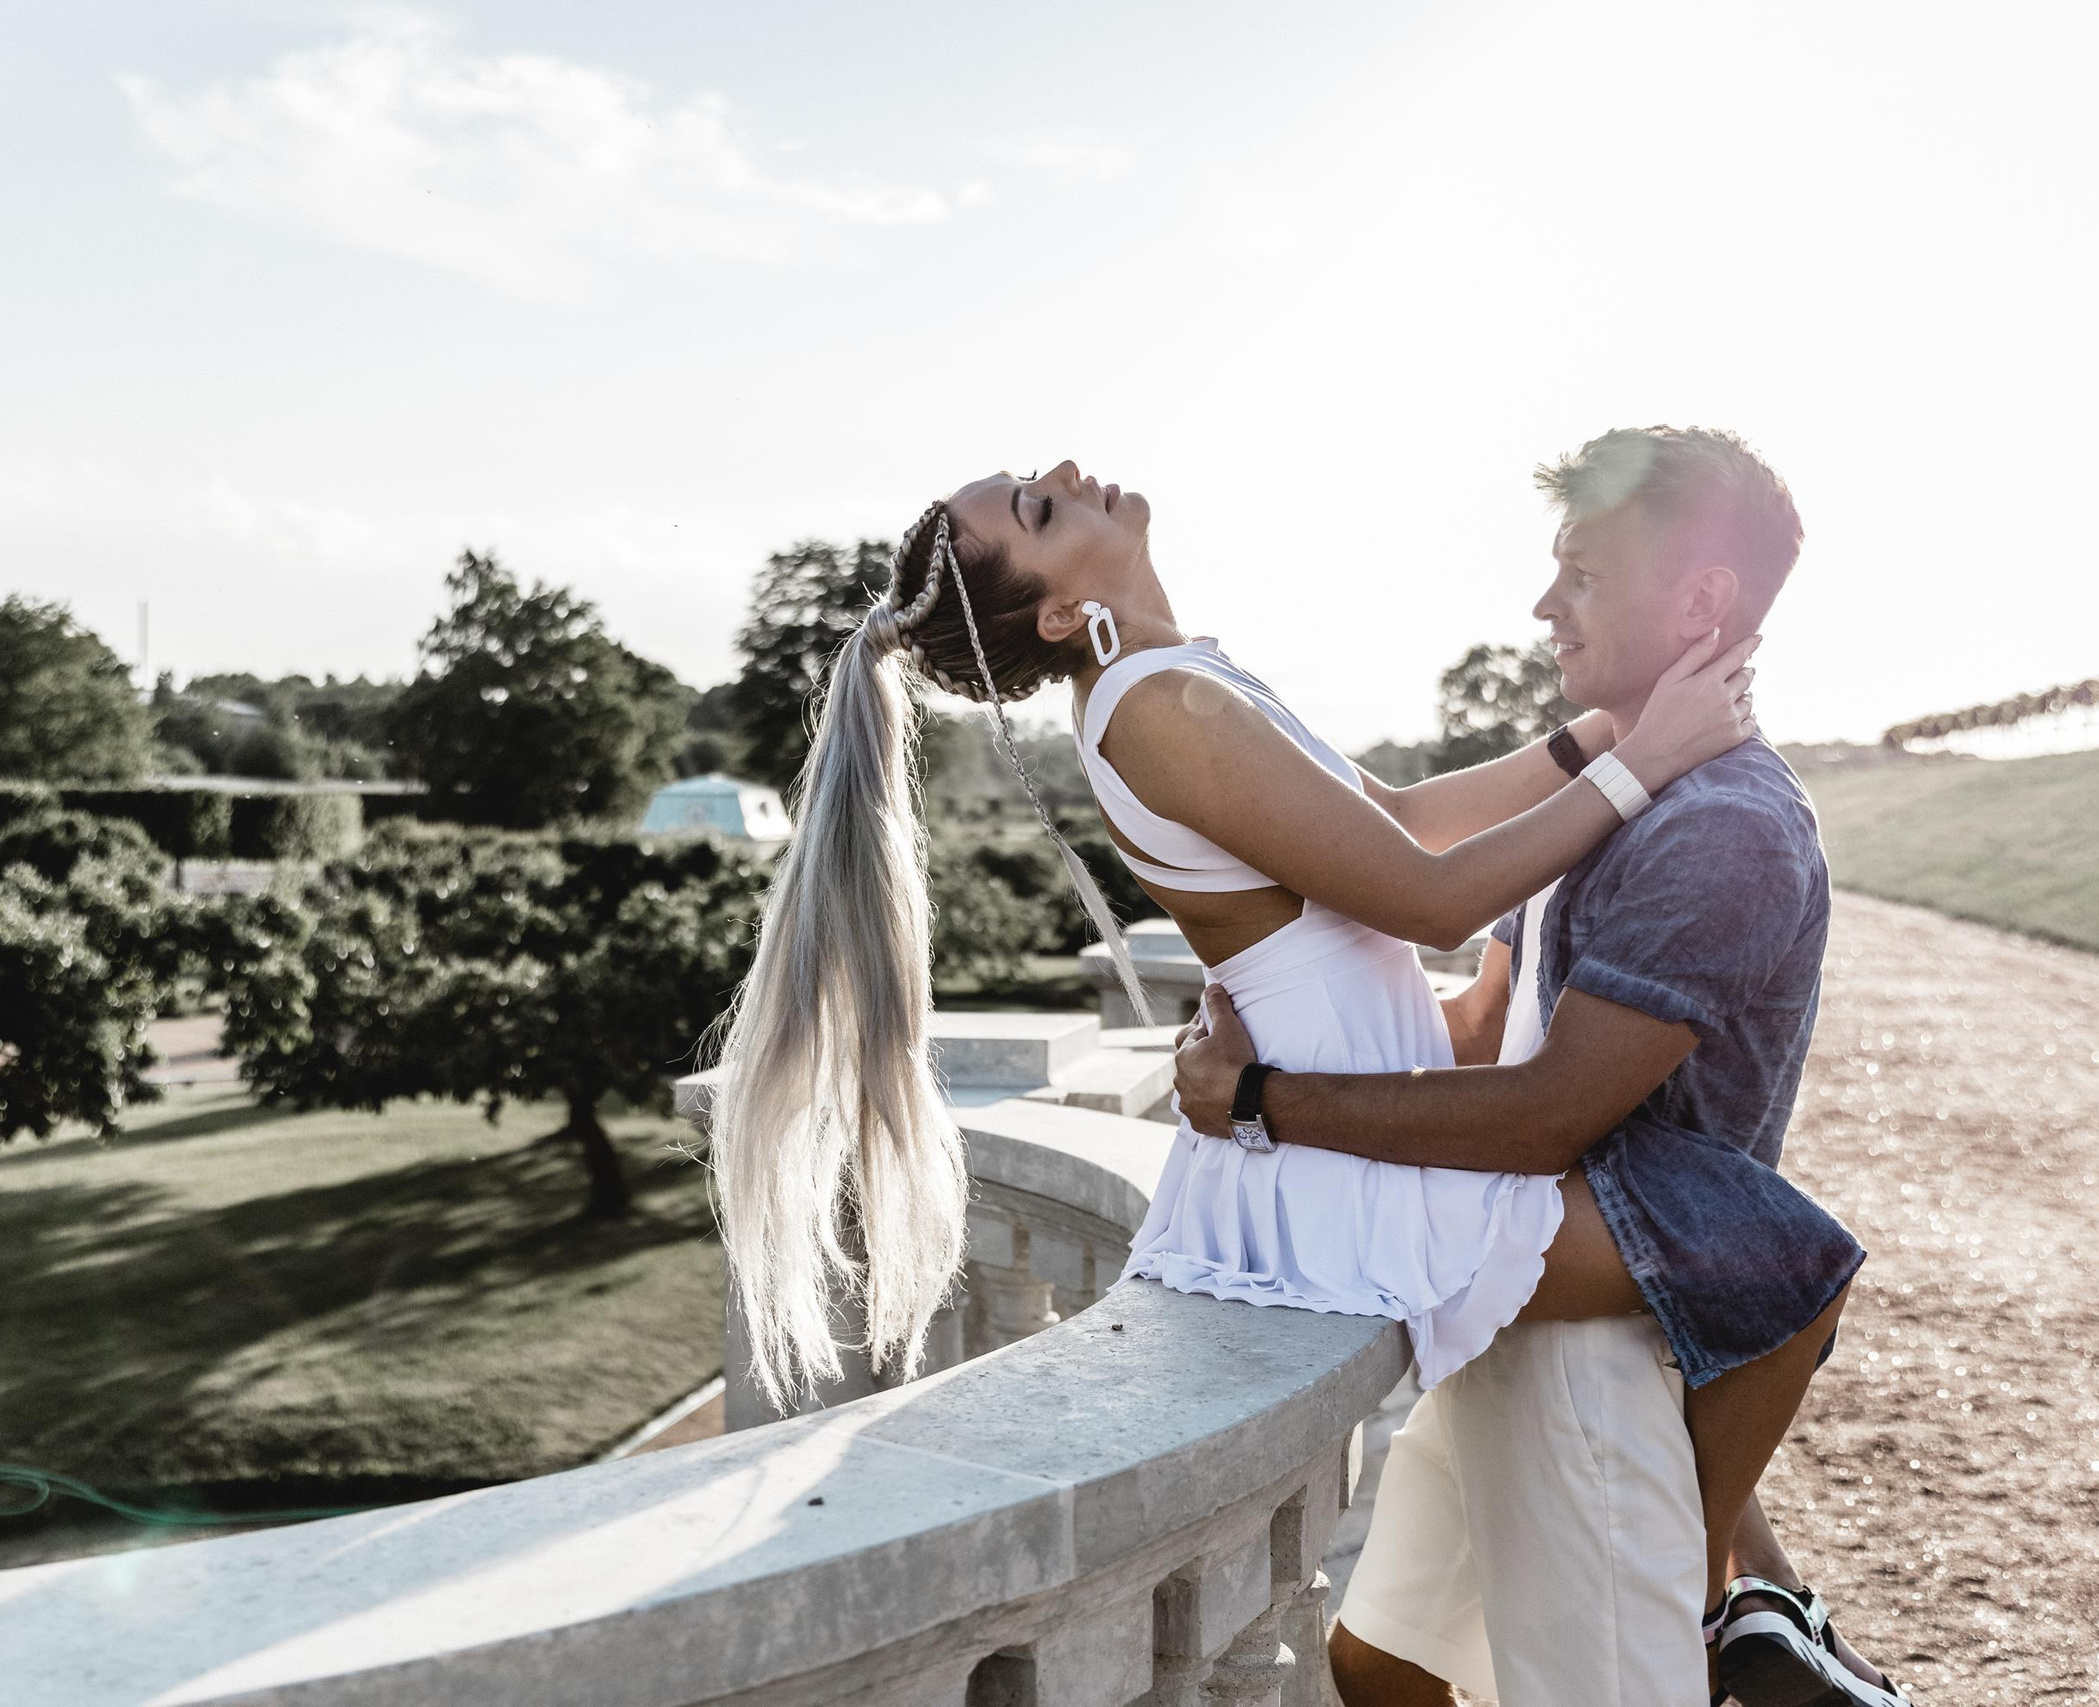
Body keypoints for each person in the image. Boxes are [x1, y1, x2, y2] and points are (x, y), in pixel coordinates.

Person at [707, 439, 1856, 1700]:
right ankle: (1729, 1593)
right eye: (1037, 508)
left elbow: (1399, 823)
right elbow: (1429, 897)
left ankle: (1740, 1585)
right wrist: (1640, 760)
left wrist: (1614, 732)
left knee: (1391, 1649)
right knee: (1782, 1260)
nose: (1069, 469)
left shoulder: (1180, 679)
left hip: (1342, 1127)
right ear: (1059, 613)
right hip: (1335, 1154)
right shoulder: (1153, 703)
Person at [1171, 427, 1906, 1706]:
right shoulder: (1612, 800)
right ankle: (1757, 1600)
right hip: (1503, 1314)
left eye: (1583, 573)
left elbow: (1541, 1114)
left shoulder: (1724, 827)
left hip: (1593, 1363)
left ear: (1701, 601)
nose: (1543, 604)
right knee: (1378, 1668)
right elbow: (1477, 1029)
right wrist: (1259, 1023)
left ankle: (1736, 1605)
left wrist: (1257, 1104)